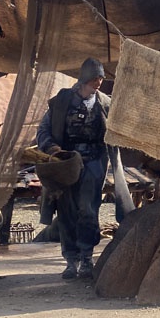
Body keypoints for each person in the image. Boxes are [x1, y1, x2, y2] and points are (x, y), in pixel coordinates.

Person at [36, 57, 111, 280]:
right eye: (95, 79)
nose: (98, 83)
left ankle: (86, 258)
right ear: (85, 78)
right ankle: (71, 260)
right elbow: (44, 129)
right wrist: (52, 148)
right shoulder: (62, 101)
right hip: (66, 164)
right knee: (66, 211)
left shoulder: (105, 103)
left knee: (88, 210)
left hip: (93, 163)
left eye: (101, 79)